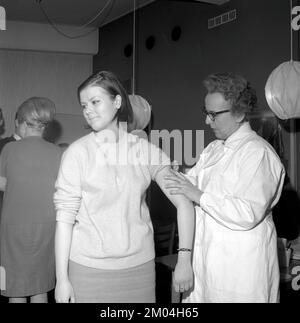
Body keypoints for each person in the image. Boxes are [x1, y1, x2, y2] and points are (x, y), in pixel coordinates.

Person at [53, 70, 194, 303]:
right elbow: (64, 219)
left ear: (117, 101)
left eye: (95, 101)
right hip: (88, 269)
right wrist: (62, 279)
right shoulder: (76, 154)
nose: (88, 109)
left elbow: (184, 201)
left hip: (139, 268)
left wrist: (185, 259)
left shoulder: (144, 150)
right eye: (83, 104)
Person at [165, 72, 285, 303]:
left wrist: (198, 195)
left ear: (239, 113)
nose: (207, 121)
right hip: (207, 267)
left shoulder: (258, 154)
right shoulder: (213, 149)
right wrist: (172, 174)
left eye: (213, 115)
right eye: (206, 112)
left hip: (239, 274)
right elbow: (192, 185)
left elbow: (247, 213)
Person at [0, 97, 62, 303]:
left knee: (14, 289)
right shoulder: (57, 152)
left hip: (14, 228)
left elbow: (2, 184)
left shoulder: (9, 149)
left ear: (24, 123)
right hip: (47, 227)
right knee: (40, 286)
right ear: (44, 126)